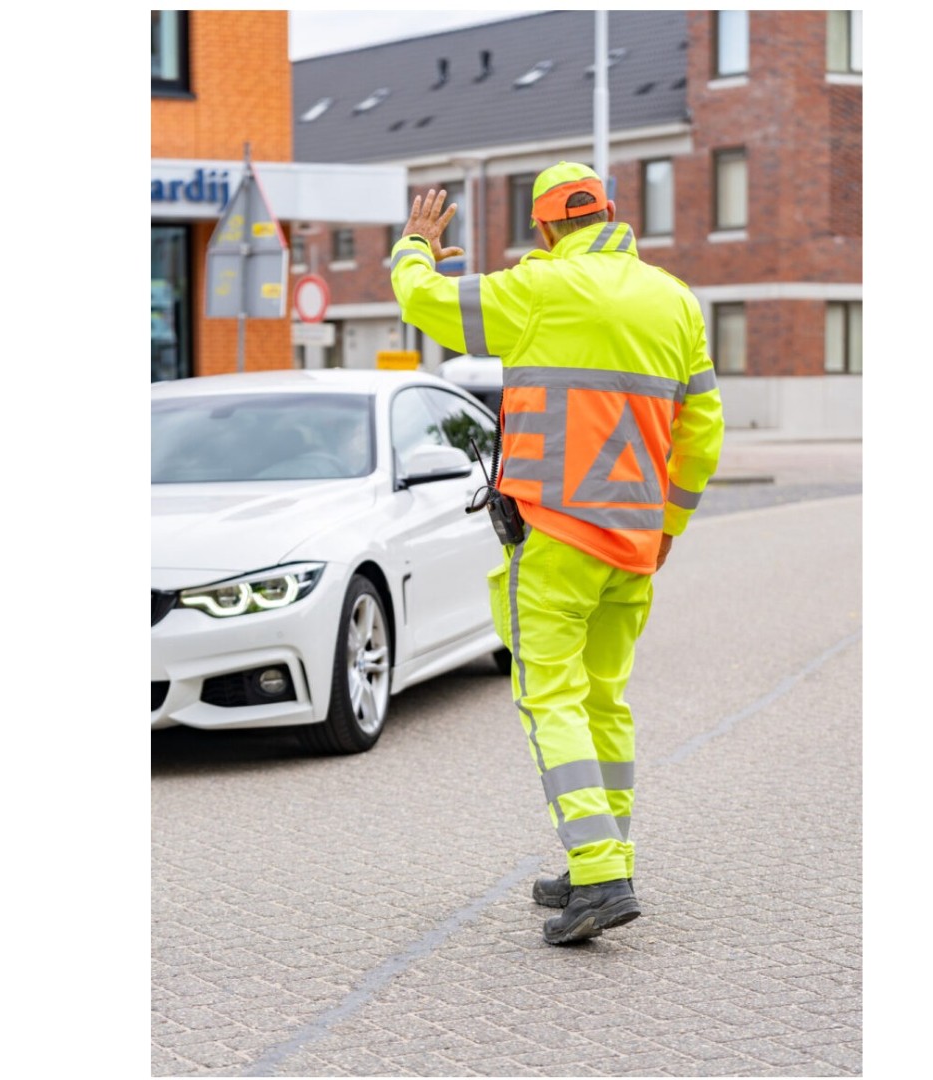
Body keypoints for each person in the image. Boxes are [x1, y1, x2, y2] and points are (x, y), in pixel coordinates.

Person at [387, 162, 725, 945]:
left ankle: (600, 876)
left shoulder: (536, 289)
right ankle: (603, 858)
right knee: (604, 702)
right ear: (611, 213)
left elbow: (423, 300)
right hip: (634, 542)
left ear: (543, 229)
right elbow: (704, 430)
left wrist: (415, 245)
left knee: (552, 701)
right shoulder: (676, 300)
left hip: (555, 535)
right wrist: (670, 524)